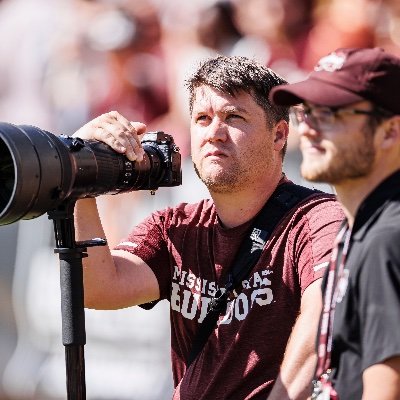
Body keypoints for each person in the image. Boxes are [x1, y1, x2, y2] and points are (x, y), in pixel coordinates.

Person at [72, 55, 343, 399]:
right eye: (202, 118)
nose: (214, 133)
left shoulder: (317, 218)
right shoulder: (175, 226)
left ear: (278, 135)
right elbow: (98, 288)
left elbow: (328, 311)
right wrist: (78, 172)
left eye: (234, 117)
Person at [270, 47, 400, 399]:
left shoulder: (387, 239)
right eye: (306, 112)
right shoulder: (361, 225)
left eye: (330, 114)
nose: (308, 129)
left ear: (389, 131)